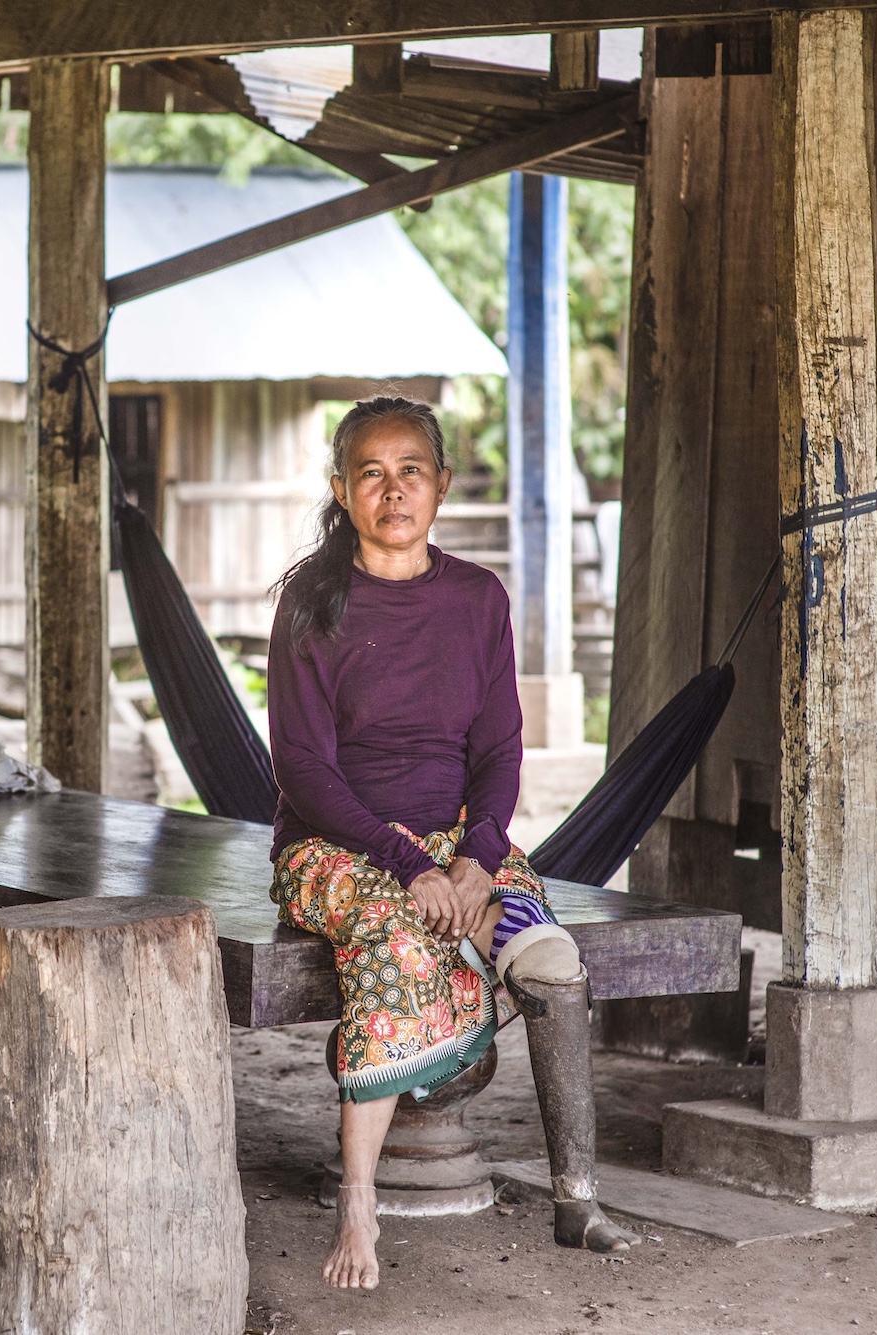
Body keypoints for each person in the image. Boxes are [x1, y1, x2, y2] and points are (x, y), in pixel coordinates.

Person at [265, 396, 638, 1291]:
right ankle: (359, 1198)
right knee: (400, 938)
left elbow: (501, 746)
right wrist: (411, 865)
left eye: (412, 472)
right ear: (342, 488)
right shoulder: (312, 606)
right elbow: (305, 772)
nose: (393, 491)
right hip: (335, 848)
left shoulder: (477, 598)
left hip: (460, 844)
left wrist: (475, 855)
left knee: (548, 958)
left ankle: (576, 1194)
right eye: (371, 473)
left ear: (440, 484)